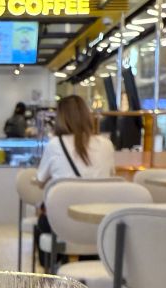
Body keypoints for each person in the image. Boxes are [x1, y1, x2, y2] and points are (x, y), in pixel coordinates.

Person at [34, 96, 115, 269]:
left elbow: (40, 182)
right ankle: (87, 276)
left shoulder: (55, 145)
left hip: (63, 225)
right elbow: (111, 176)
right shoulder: (107, 145)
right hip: (99, 225)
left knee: (41, 221)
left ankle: (55, 271)